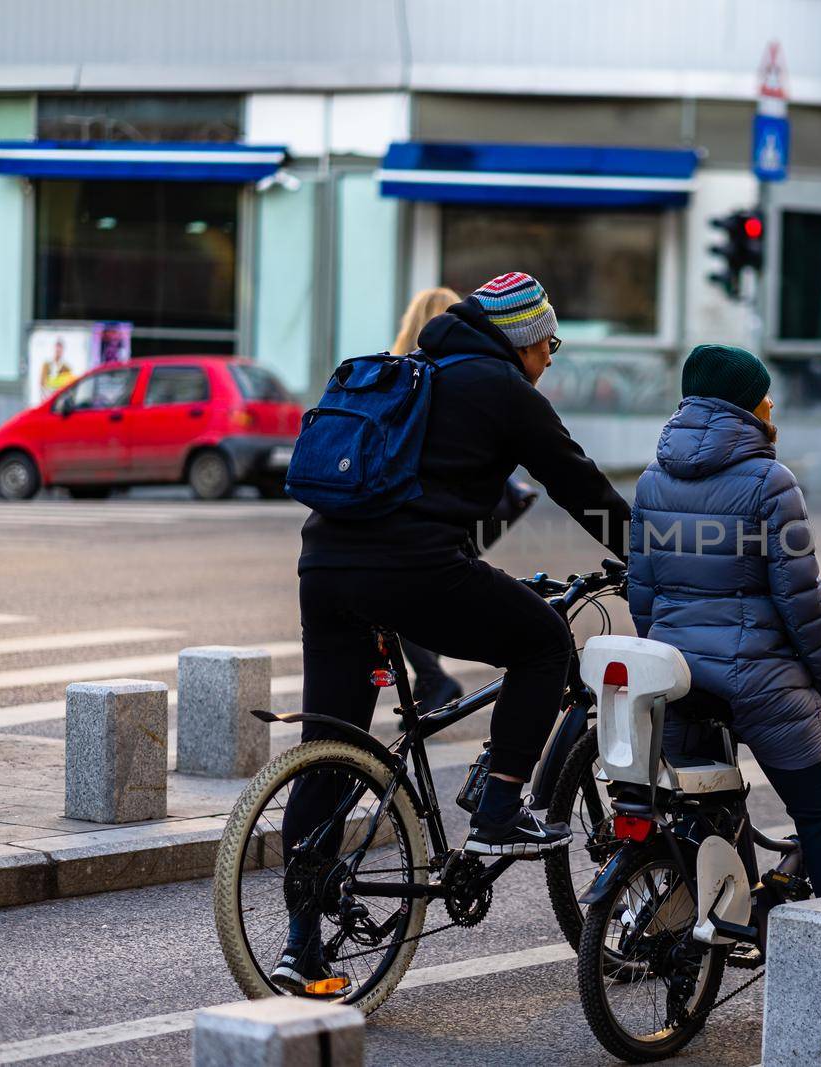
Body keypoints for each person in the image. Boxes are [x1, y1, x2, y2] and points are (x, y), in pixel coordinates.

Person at [275, 272, 630, 991]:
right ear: (524, 338)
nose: (552, 356)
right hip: (410, 569)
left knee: (332, 748)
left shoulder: (417, 371)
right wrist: (652, 557)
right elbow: (580, 486)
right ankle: (500, 805)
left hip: (324, 567)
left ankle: (299, 945)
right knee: (543, 642)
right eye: (550, 342)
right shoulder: (504, 389)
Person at [626, 344, 821, 1028]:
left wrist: (673, 652)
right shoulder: (769, 483)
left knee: (708, 810)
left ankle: (726, 916)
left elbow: (644, 596)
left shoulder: (652, 479)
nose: (773, 406)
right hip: (759, 681)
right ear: (745, 404)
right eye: (765, 396)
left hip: (680, 677)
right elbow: (802, 606)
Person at [390, 286, 469, 710]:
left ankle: (430, 681)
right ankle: (430, 682)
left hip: (401, 505)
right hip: (450, 510)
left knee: (402, 602)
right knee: (423, 597)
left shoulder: (396, 370)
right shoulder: (456, 373)